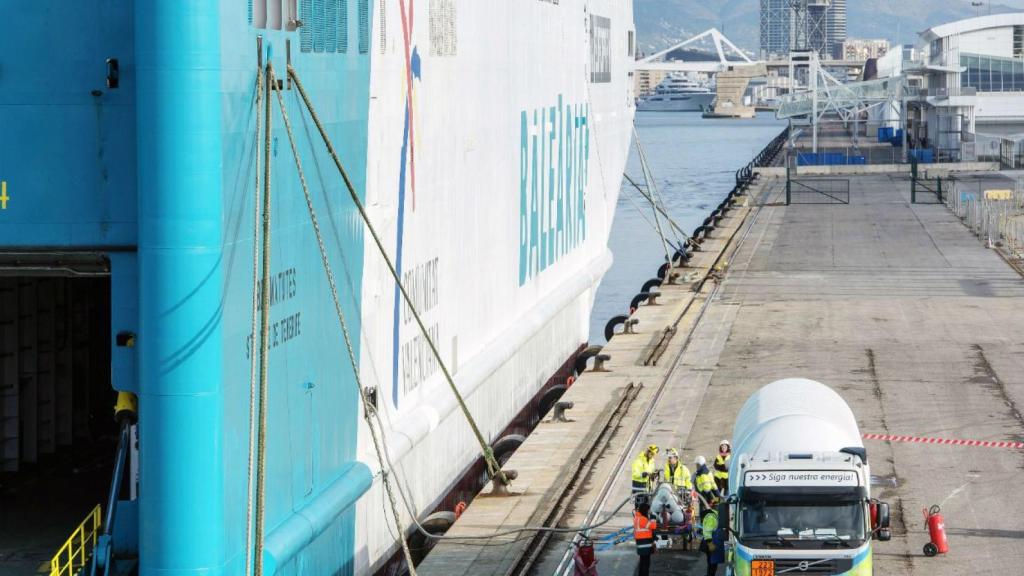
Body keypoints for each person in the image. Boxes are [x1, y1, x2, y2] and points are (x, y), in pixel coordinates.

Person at [700, 498, 725, 576]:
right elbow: (707, 532)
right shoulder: (711, 517)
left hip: (712, 542)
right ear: (717, 506)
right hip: (710, 543)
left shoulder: (715, 515)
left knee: (712, 563)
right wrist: (710, 544)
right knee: (712, 564)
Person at [633, 500, 658, 576]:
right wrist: (653, 518)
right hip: (645, 544)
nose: (649, 512)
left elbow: (647, 529)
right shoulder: (643, 519)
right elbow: (653, 526)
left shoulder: (637, 518)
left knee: (642, 562)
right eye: (648, 510)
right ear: (645, 510)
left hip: (641, 544)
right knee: (646, 564)